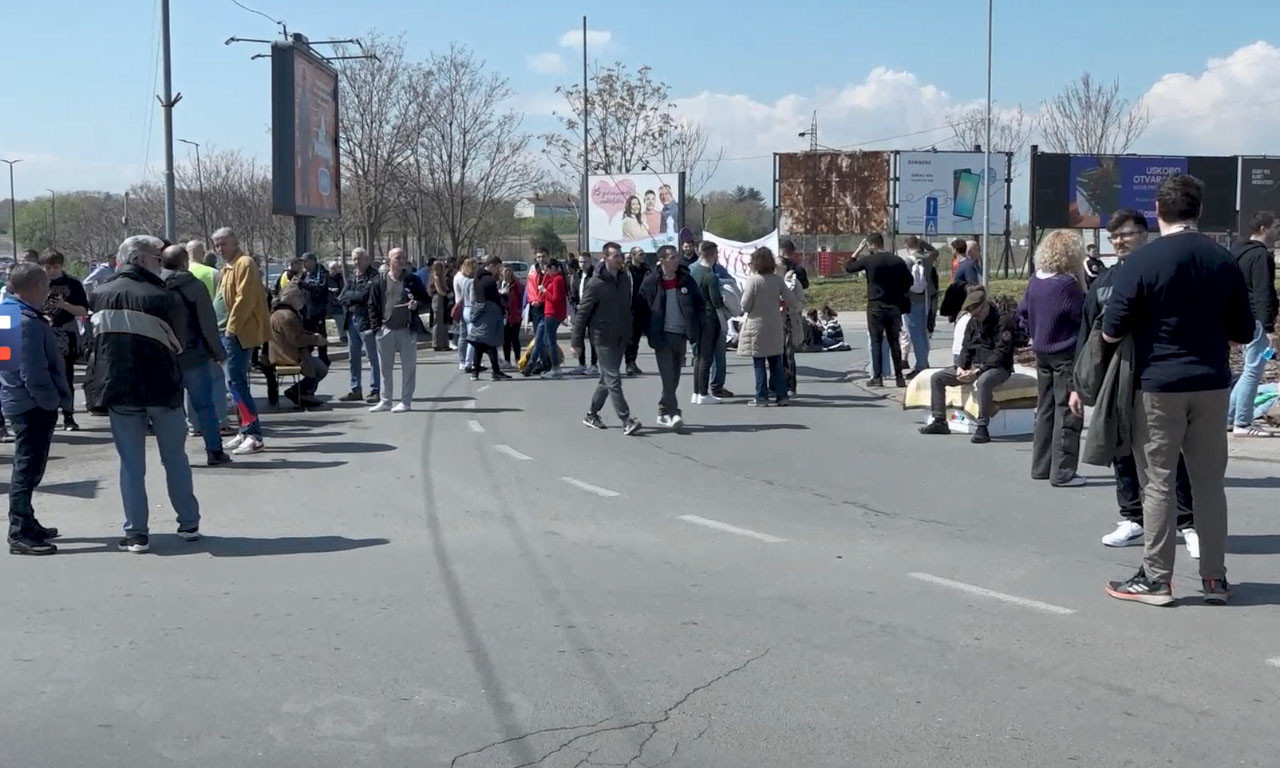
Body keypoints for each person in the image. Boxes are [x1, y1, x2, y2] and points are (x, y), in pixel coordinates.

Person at [1101, 174, 1255, 606]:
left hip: (1158, 386)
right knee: (1209, 484)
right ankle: (1214, 579)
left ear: (1157, 210)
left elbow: (1112, 330)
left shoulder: (1142, 262)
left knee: (1158, 484)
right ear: (1198, 211)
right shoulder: (1222, 260)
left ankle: (1156, 579)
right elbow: (1244, 330)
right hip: (1211, 384)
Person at [1070, 209, 1198, 552]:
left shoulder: (1166, 272)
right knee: (1120, 449)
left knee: (1171, 452)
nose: (1119, 242)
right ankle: (1132, 518)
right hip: (1117, 381)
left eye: (1125, 234)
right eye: (1114, 237)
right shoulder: (1104, 282)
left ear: (1145, 233)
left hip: (1160, 377)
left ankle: (1187, 523)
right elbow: (1087, 334)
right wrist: (1078, 386)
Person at [87, 236, 200, 554]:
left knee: (131, 465)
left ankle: (137, 533)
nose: (161, 264)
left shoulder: (99, 294)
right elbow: (181, 341)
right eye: (156, 258)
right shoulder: (164, 296)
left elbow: (92, 345)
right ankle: (188, 522)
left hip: (119, 389)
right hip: (163, 387)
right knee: (175, 458)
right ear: (139, 259)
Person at [2, 263, 72, 555]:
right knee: (27, 469)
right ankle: (19, 531)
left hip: (17, 400)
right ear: (34, 287)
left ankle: (28, 521)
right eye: (45, 286)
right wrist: (50, 401)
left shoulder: (9, 313)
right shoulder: (25, 320)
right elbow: (32, 370)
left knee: (28, 467)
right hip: (31, 405)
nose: (48, 292)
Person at [1016, 230, 1086, 487]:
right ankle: (1063, 472)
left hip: (1042, 352)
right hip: (1065, 352)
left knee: (1045, 409)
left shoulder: (1036, 279)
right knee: (1067, 411)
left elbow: (1022, 312)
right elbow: (1082, 316)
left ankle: (1041, 466)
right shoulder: (1067, 284)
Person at [161, 244, 231, 466]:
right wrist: (218, 352)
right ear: (184, 262)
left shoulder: (154, 286)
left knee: (169, 410)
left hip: (165, 358)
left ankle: (171, 455)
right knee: (205, 406)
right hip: (194, 355)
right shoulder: (195, 286)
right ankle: (214, 451)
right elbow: (208, 324)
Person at [918, 287, 1014, 444]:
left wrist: (978, 371)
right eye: (973, 315)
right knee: (938, 378)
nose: (976, 317)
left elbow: (1001, 353)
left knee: (984, 381)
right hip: (973, 366)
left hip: (997, 368)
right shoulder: (973, 322)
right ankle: (939, 421)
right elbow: (966, 347)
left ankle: (982, 426)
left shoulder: (1003, 321)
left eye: (977, 313)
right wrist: (961, 366)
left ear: (984, 305)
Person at [573, 242, 641, 435]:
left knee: (606, 379)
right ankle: (626, 419)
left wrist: (630, 331)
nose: (619, 259)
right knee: (613, 378)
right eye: (615, 256)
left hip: (621, 336)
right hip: (602, 338)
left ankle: (591, 414)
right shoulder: (595, 283)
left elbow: (627, 307)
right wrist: (576, 341)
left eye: (620, 255)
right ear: (605, 258)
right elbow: (582, 313)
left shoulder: (624, 279)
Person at [213, 227, 270, 455]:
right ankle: (244, 430)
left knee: (236, 384)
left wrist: (231, 329)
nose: (219, 249)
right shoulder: (226, 268)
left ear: (235, 242)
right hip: (223, 333)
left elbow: (243, 299)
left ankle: (253, 435)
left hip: (235, 334)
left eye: (223, 244)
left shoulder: (244, 264)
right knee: (232, 385)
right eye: (216, 245)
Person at [639, 245, 703, 428]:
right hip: (661, 336)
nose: (676, 260)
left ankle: (662, 411)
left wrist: (696, 327)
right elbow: (642, 308)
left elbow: (698, 303)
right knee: (667, 376)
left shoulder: (685, 279)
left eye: (677, 256)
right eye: (672, 257)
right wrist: (648, 331)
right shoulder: (652, 281)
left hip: (680, 334)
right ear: (662, 260)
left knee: (674, 377)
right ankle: (674, 413)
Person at [1229, 210, 1279, 437]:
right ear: (1262, 229)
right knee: (1253, 370)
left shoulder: (1237, 253)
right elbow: (1263, 292)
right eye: (1275, 226)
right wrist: (1269, 327)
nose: (1278, 231)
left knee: (1250, 368)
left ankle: (1229, 418)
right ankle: (1243, 422)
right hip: (1258, 322)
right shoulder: (1261, 256)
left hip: (1242, 317)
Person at [845, 233, 911, 388]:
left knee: (876, 342)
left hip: (875, 306)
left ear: (871, 245)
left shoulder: (869, 260)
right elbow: (909, 281)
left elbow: (849, 267)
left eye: (868, 246)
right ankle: (899, 377)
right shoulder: (897, 261)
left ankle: (877, 377)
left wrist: (857, 252)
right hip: (894, 307)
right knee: (894, 342)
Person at [368, 248, 429, 413]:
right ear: (389, 261)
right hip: (385, 329)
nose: (401, 261)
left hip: (407, 329)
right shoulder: (378, 281)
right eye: (397, 258)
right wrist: (376, 329)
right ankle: (385, 400)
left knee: (408, 367)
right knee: (385, 368)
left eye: (403, 258)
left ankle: (405, 401)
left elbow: (425, 300)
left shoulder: (412, 280)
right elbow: (372, 306)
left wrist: (417, 305)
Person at [739, 246, 800, 407]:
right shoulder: (778, 280)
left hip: (757, 325)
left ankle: (761, 396)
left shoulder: (754, 280)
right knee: (775, 362)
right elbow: (791, 300)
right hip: (775, 324)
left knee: (758, 362)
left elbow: (745, 305)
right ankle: (782, 395)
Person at [38, 250, 89, 431]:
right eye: (48, 267)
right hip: (40, 333)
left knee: (65, 377)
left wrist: (64, 305)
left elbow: (83, 311)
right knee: (42, 377)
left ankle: (68, 415)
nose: (52, 271)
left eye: (56, 267)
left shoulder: (72, 284)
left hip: (65, 335)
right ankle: (47, 415)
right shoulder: (36, 283)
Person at [269, 283, 329, 407]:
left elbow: (297, 334)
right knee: (321, 368)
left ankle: (303, 393)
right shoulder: (287, 316)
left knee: (318, 366)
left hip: (283, 352)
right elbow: (296, 339)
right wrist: (315, 339)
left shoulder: (283, 312)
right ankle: (299, 392)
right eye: (298, 296)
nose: (301, 298)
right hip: (288, 355)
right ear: (291, 298)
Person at [338, 247, 381, 403]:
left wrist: (351, 297)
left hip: (366, 321)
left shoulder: (374, 276)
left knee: (372, 358)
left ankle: (375, 389)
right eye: (354, 259)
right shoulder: (352, 276)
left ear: (367, 259)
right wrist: (351, 297)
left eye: (359, 258)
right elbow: (342, 297)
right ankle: (355, 389)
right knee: (353, 358)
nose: (356, 262)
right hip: (351, 320)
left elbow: (365, 296)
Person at [690, 241, 727, 403]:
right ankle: (703, 394)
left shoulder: (693, 271)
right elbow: (716, 301)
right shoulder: (710, 275)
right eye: (716, 253)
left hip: (696, 318)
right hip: (709, 318)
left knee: (698, 357)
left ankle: (696, 392)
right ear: (711, 254)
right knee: (706, 357)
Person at [467, 256, 513, 382]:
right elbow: (495, 299)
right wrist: (503, 301)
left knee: (479, 345)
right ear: (492, 265)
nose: (498, 271)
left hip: (480, 312)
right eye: (497, 268)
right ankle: (496, 372)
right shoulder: (489, 280)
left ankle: (475, 372)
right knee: (490, 344)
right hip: (490, 314)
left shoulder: (477, 278)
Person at [902, 236, 937, 375]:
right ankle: (924, 362)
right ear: (918, 244)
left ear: (906, 246)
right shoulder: (927, 259)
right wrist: (925, 244)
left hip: (911, 301)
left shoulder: (907, 261)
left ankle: (921, 365)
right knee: (923, 333)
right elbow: (935, 252)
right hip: (926, 299)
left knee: (915, 334)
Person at [298, 252, 332, 366]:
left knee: (320, 334)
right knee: (307, 335)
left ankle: (323, 359)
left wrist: (303, 284)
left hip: (317, 310)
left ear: (313, 261)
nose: (304, 264)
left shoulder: (322, 274)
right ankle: (307, 358)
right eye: (303, 262)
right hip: (306, 311)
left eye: (306, 261)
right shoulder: (304, 275)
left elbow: (319, 289)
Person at [537, 259, 568, 378]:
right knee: (547, 339)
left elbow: (555, 298)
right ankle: (552, 365)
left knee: (550, 341)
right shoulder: (554, 279)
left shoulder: (558, 280)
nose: (546, 272)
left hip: (553, 313)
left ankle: (555, 366)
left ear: (553, 268)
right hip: (550, 312)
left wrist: (544, 291)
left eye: (548, 269)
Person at [569, 253, 598, 374]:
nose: (582, 264)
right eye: (580, 262)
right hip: (579, 309)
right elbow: (574, 292)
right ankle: (581, 363)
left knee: (593, 338)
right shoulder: (577, 275)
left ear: (590, 262)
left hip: (592, 310)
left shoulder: (595, 275)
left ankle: (594, 365)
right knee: (578, 336)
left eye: (585, 261)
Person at [624, 247, 651, 376]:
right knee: (631, 337)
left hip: (644, 307)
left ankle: (632, 361)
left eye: (643, 253)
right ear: (633, 255)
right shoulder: (626, 270)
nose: (642, 256)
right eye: (640, 254)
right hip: (630, 307)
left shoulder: (647, 270)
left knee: (637, 337)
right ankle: (629, 363)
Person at [454, 257, 478, 372]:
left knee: (465, 335)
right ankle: (469, 362)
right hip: (471, 308)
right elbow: (473, 298)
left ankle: (466, 361)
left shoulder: (463, 280)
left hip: (465, 309)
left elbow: (463, 296)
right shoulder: (472, 282)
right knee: (472, 337)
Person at [498, 265, 524, 366]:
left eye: (509, 271)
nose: (507, 273)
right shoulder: (499, 284)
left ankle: (518, 359)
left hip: (514, 315)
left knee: (515, 338)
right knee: (506, 339)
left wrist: (520, 312)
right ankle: (507, 360)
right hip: (503, 316)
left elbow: (521, 298)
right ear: (501, 272)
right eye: (505, 271)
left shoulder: (516, 285)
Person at [429, 260, 452, 353]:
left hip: (443, 299)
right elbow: (439, 290)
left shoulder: (442, 277)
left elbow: (445, 288)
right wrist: (446, 294)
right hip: (438, 299)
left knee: (443, 322)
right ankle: (436, 344)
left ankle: (444, 343)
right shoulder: (436, 277)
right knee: (438, 322)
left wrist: (449, 292)